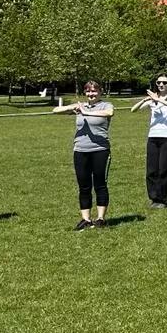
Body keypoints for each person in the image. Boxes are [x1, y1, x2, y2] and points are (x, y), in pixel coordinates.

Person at [53, 81, 115, 230]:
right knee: (84, 186)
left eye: (94, 91)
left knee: (100, 184)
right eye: (88, 91)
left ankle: (100, 219)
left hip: (100, 150)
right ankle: (85, 219)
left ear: (100, 92)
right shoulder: (82, 106)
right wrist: (72, 107)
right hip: (80, 150)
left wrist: (86, 113)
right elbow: (55, 110)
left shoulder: (106, 105)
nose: (91, 94)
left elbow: (109, 113)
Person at [131, 73, 167, 208]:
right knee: (152, 170)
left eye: (164, 83)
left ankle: (163, 198)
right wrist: (145, 100)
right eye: (159, 82)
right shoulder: (153, 99)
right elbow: (133, 110)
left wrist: (157, 99)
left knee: (164, 169)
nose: (161, 85)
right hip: (153, 137)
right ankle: (154, 198)